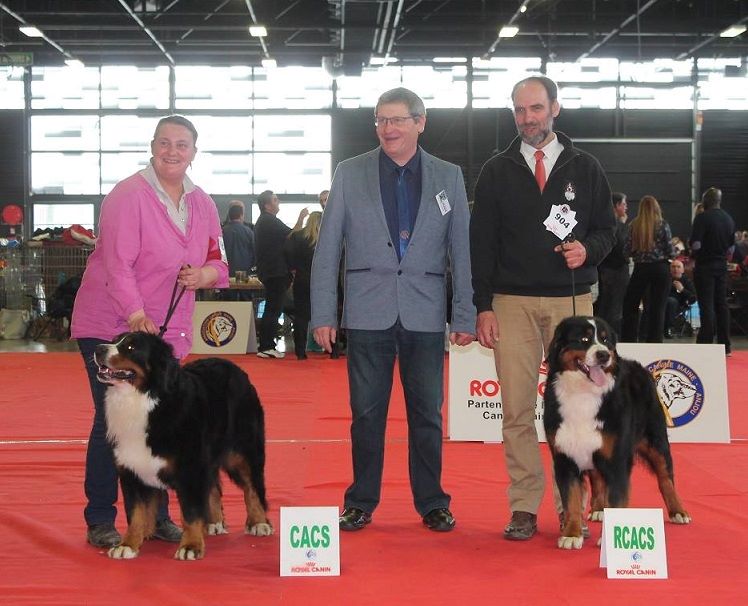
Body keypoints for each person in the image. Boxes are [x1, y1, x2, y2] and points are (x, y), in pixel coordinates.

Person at [311, 87, 475, 533]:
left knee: (427, 413)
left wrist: (464, 315)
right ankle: (360, 500)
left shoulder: (450, 176)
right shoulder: (349, 172)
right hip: (367, 313)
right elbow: (327, 250)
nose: (388, 129)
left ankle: (432, 502)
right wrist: (323, 313)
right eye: (381, 120)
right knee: (366, 413)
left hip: (424, 313)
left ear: (421, 123)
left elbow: (462, 251)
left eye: (398, 120)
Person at [70, 114, 229, 548]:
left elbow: (220, 262)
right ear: (152, 146)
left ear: (194, 152)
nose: (172, 151)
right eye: (164, 143)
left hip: (166, 334)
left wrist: (204, 275)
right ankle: (101, 517)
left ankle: (156, 518)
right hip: (113, 327)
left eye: (182, 144)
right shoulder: (127, 196)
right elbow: (118, 264)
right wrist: (136, 313)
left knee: (160, 424)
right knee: (114, 423)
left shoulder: (203, 203)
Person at [470, 75, 615, 541]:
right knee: (515, 409)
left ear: (555, 108)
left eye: (535, 108)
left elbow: (608, 231)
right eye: (519, 110)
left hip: (572, 302)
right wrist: (482, 305)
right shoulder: (495, 170)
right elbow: (480, 243)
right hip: (509, 302)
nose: (527, 118)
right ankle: (524, 506)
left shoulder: (587, 167)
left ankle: (571, 506)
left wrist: (587, 251)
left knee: (579, 412)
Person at [253, 190, 308, 358]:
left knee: (273, 308)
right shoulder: (269, 221)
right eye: (275, 200)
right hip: (275, 271)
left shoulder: (266, 222)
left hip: (271, 271)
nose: (279, 202)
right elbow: (293, 234)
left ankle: (266, 345)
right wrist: (301, 218)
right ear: (267, 205)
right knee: (273, 309)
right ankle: (266, 346)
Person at [621, 195, 674, 343]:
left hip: (641, 269)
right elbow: (670, 250)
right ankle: (655, 341)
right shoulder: (663, 225)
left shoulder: (634, 225)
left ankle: (629, 338)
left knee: (631, 304)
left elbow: (626, 251)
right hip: (661, 269)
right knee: (658, 307)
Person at [689, 186, 736, 355]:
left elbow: (696, 244)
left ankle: (706, 342)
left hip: (705, 266)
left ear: (706, 201)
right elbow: (731, 249)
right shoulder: (729, 219)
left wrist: (694, 255)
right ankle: (725, 345)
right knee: (721, 304)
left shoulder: (702, 218)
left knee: (706, 305)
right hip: (721, 266)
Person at [285, 211, 322, 360]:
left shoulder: (297, 236)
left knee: (301, 316)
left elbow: (288, 254)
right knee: (329, 313)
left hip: (302, 279)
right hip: (322, 280)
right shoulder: (325, 239)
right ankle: (333, 350)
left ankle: (300, 351)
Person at [594, 192, 629, 336]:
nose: (626, 207)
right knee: (613, 307)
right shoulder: (616, 225)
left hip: (605, 269)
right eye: (624, 204)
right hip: (615, 270)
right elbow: (621, 248)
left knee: (606, 304)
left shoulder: (605, 224)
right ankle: (610, 337)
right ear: (616, 206)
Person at [222, 203, 256, 279]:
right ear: (241, 215)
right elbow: (255, 251)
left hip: (226, 271)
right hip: (244, 270)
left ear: (229, 216)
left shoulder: (222, 232)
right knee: (243, 288)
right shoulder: (249, 231)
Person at [664, 259, 696, 338]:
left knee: (671, 301)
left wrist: (682, 290)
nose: (675, 269)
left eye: (678, 267)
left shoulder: (687, 281)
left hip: (679, 305)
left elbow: (693, 298)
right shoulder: (665, 279)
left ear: (682, 270)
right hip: (663, 303)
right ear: (670, 269)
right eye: (673, 267)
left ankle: (669, 328)